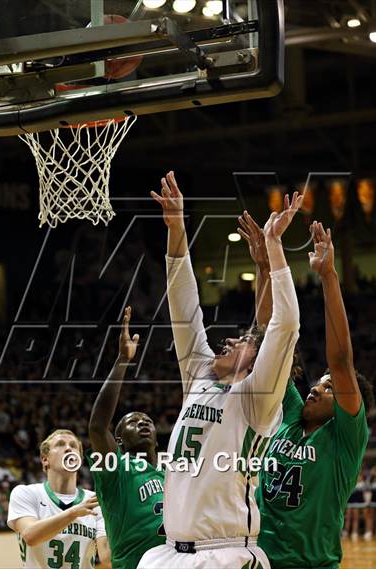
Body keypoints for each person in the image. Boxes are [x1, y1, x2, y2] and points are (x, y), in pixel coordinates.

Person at [138, 172, 302, 569]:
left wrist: (276, 248)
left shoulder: (256, 402)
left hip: (225, 553)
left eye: (242, 340)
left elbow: (285, 327)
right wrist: (177, 227)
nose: (227, 341)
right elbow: (183, 306)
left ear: (258, 360)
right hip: (169, 553)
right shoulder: (199, 377)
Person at [240, 217, 374, 569]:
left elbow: (342, 360)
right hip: (260, 559)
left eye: (329, 388)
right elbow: (269, 338)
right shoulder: (291, 413)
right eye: (320, 381)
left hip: (311, 564)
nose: (317, 387)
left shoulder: (345, 438)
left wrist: (328, 276)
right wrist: (264, 267)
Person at [88, 306, 165, 569]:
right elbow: (98, 427)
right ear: (118, 440)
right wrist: (122, 361)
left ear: (157, 440)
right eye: (133, 422)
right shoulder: (116, 469)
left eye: (148, 422)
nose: (143, 423)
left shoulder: (172, 473)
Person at [7, 429, 110, 569]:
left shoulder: (94, 501)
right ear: (45, 460)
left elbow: (107, 558)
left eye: (74, 446)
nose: (68, 448)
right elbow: (30, 536)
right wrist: (73, 512)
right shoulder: (26, 493)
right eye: (60, 444)